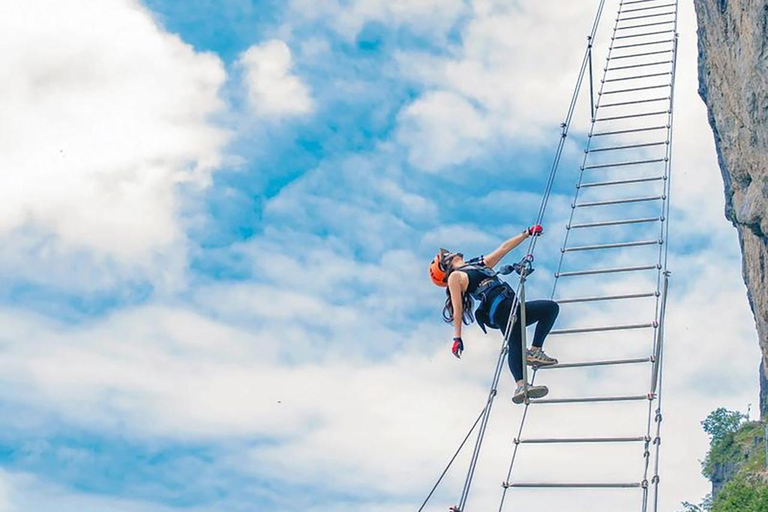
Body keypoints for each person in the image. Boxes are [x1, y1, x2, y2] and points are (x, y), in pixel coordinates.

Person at [428, 225, 560, 404]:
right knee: (515, 344)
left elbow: (504, 248)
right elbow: (457, 309)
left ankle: (535, 351)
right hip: (501, 309)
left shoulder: (478, 265)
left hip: (512, 305)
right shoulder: (455, 277)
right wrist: (457, 338)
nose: (452, 253)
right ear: (446, 264)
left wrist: (527, 234)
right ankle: (521, 385)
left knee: (550, 308)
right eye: (447, 255)